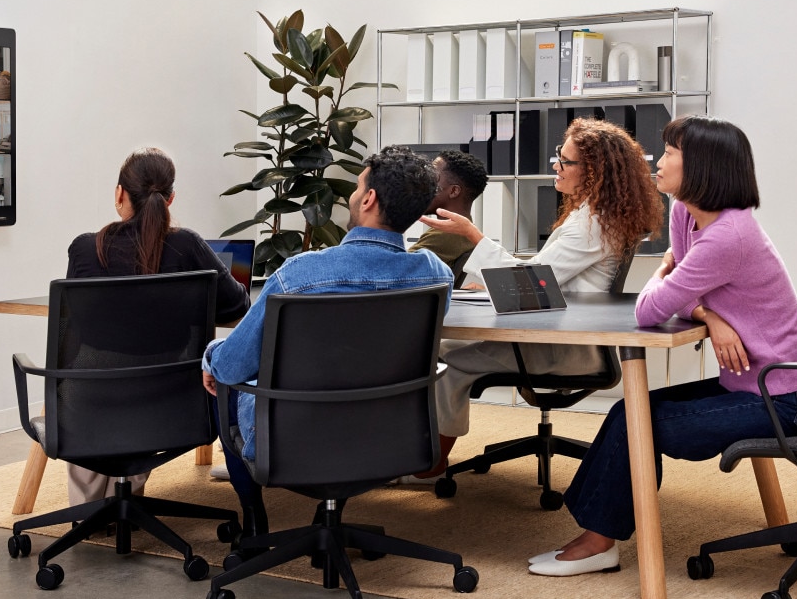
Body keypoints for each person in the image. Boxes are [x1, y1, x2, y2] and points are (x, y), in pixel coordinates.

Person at [528, 115, 797, 577]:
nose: (656, 161)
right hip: (750, 383)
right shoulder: (687, 213)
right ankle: (599, 534)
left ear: (702, 166)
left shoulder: (729, 235)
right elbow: (684, 295)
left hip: (782, 399)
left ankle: (599, 543)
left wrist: (671, 279)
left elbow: (653, 307)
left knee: (635, 421)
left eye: (668, 153)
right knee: (629, 411)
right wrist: (711, 315)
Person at [201, 146, 452, 544]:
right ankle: (331, 510)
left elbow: (231, 368)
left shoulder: (302, 273)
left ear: (368, 199)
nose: (353, 195)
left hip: (293, 441)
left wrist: (211, 356)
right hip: (390, 439)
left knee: (221, 379)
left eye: (357, 186)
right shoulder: (435, 274)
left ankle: (252, 518)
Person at [410, 118, 664, 480]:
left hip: (560, 345)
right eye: (557, 158)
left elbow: (534, 283)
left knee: (447, 359)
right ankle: (425, 454)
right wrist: (493, 282)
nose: (557, 167)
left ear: (593, 170)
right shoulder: (596, 216)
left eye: (565, 161)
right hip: (556, 329)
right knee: (444, 348)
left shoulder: (591, 225)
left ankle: (428, 465)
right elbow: (547, 277)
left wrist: (472, 234)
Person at [64, 147, 251, 505]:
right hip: (169, 399)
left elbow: (80, 319)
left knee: (97, 374)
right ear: (170, 199)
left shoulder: (86, 249)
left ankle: (89, 512)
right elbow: (237, 304)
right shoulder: (186, 245)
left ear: (120, 194)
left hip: (90, 398)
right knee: (144, 377)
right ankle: (127, 501)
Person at [408, 149, 488, 285]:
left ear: (453, 191)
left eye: (431, 179)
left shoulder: (445, 235)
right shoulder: (461, 232)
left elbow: (394, 271)